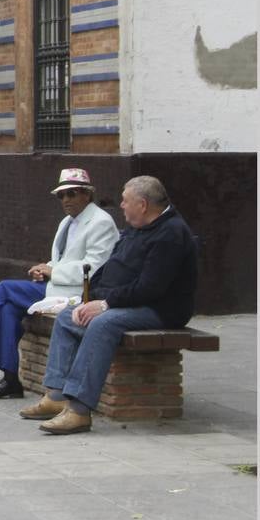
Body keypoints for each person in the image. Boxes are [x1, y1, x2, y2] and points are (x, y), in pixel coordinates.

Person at [20, 176, 198, 435]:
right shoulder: (139, 226)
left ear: (143, 204)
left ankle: (80, 411)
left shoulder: (171, 234)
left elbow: (150, 289)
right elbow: (110, 268)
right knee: (69, 315)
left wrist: (104, 305)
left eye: (126, 201)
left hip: (161, 310)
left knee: (103, 324)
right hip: (128, 301)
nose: (122, 206)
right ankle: (56, 396)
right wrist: (90, 298)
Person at [0, 168, 118, 399]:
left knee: (5, 288)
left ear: (86, 194)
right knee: (9, 309)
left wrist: (53, 271)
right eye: (61, 196)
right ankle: (10, 379)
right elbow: (63, 259)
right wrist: (44, 268)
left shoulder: (100, 222)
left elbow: (94, 267)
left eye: (71, 194)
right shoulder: (67, 222)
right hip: (57, 286)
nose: (66, 200)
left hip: (78, 293)